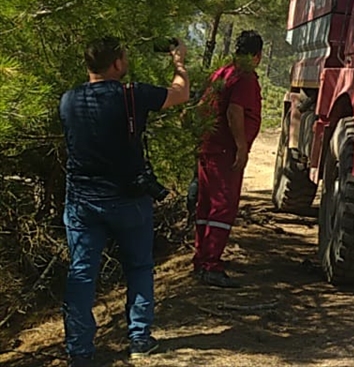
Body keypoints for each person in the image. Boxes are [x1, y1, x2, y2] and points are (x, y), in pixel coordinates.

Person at [59, 37, 190, 366]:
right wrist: (178, 62)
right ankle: (139, 340)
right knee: (139, 267)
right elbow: (181, 93)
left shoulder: (68, 100)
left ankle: (79, 352)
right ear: (116, 64)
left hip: (82, 203)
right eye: (125, 56)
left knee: (81, 274)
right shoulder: (133, 94)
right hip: (129, 200)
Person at [193, 30, 263, 287]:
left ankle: (201, 259)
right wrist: (241, 147)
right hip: (224, 151)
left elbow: (202, 106)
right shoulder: (244, 78)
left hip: (208, 148)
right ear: (258, 55)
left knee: (206, 205)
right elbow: (235, 113)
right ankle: (211, 264)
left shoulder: (222, 73)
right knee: (222, 206)